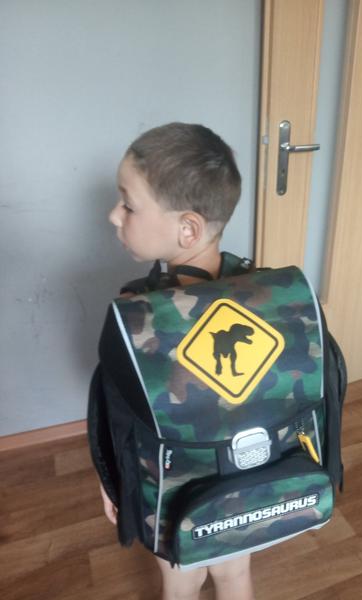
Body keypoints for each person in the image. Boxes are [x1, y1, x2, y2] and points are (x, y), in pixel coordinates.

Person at [92, 123, 255, 600]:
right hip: (248, 476)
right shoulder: (263, 292)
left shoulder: (137, 315)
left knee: (181, 580)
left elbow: (117, 418)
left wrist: (111, 480)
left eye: (128, 205)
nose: (113, 215)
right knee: (235, 574)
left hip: (173, 487)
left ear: (188, 229)